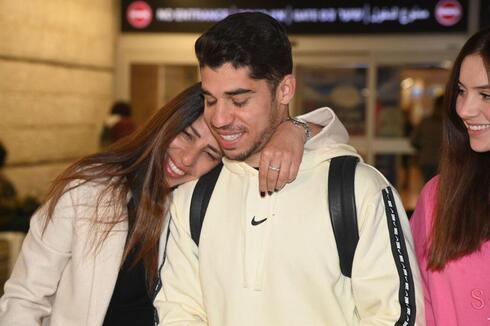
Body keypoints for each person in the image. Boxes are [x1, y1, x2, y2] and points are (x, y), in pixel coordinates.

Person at [155, 12, 424, 325]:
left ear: (284, 90)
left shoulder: (356, 189)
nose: (219, 118)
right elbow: (178, 309)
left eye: (238, 101)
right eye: (210, 100)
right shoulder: (193, 198)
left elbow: (396, 315)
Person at [0, 82, 332, 325]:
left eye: (209, 154)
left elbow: (332, 135)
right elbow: (25, 298)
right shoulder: (89, 191)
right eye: (186, 135)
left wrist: (295, 129)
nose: (186, 159)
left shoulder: (200, 211)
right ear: (166, 124)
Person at [410, 27, 490, 326]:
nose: (464, 109)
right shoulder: (439, 196)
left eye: (485, 94)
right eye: (461, 91)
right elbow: (411, 298)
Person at [411, 95, 444, 182]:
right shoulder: (449, 124)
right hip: (443, 161)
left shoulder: (425, 121)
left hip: (426, 160)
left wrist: (424, 148)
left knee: (428, 187)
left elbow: (414, 140)